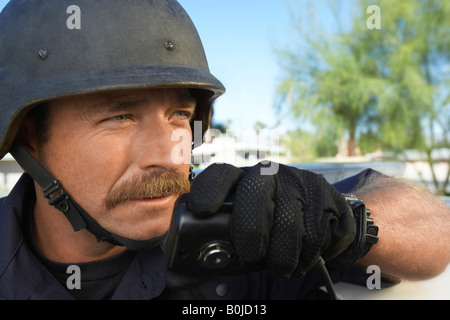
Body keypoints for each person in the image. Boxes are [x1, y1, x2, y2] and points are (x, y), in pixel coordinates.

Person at [0, 0, 448, 300]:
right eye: (120, 117)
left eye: (179, 115)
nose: (171, 153)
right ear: (29, 137)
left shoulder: (245, 227)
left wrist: (342, 223)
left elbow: (435, 230)